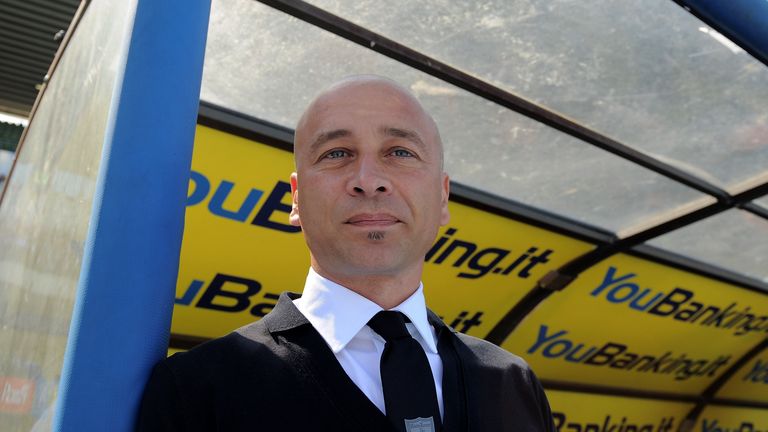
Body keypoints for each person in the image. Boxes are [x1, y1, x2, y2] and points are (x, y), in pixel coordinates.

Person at [135, 76, 555, 431]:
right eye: (337, 154)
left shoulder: (514, 381)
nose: (369, 181)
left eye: (400, 153)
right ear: (296, 199)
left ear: (442, 196)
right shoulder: (197, 389)